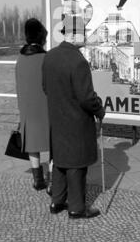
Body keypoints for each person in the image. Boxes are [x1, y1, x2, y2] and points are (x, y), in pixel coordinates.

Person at [42, 15, 105, 219]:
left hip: (56, 118)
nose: (86, 37)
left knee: (60, 160)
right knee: (77, 164)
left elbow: (45, 88)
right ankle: (77, 208)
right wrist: (99, 109)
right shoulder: (78, 61)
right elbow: (87, 98)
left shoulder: (50, 56)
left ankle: (57, 202)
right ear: (74, 35)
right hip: (76, 121)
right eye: (84, 33)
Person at [15, 18, 53, 193]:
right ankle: (52, 181)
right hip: (46, 108)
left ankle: (38, 180)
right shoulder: (47, 58)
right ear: (41, 37)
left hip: (27, 108)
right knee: (53, 144)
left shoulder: (19, 59)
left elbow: (19, 85)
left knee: (31, 143)